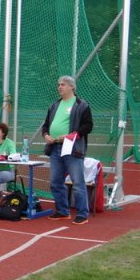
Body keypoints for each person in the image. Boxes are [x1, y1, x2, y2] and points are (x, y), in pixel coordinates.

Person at [41, 75, 93, 225]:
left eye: (63, 84)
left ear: (71, 87)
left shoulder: (81, 104)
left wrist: (72, 136)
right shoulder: (54, 105)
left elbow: (88, 126)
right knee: (55, 181)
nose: (59, 87)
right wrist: (46, 135)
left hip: (72, 148)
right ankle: (63, 211)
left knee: (77, 182)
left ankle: (83, 213)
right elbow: (45, 125)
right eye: (59, 85)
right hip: (55, 147)